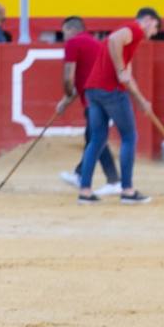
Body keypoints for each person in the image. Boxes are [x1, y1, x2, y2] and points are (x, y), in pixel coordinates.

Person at [77, 8, 162, 205]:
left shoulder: (129, 43)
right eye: (156, 26)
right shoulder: (135, 29)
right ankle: (128, 190)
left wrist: (141, 101)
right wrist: (120, 69)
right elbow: (115, 41)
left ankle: (85, 191)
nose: (154, 32)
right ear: (148, 20)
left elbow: (128, 77)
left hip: (93, 90)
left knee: (97, 139)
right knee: (129, 137)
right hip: (111, 91)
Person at [55, 16, 121, 195]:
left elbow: (69, 78)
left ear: (70, 29)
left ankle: (114, 181)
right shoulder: (95, 43)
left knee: (96, 138)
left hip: (96, 99)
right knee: (93, 137)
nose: (64, 37)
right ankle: (81, 174)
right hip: (108, 95)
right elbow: (84, 81)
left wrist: (66, 98)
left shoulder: (74, 43)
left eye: (64, 33)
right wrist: (66, 101)